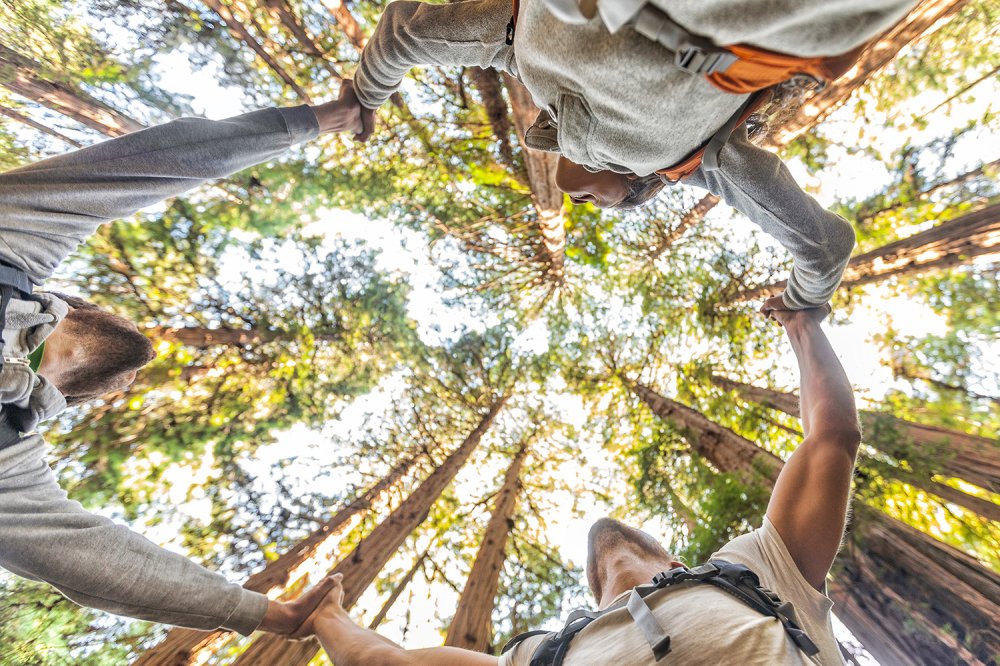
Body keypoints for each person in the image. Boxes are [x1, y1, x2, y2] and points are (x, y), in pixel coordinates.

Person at [301, 303, 862, 665]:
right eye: (597, 578)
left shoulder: (751, 567)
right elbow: (386, 663)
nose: (609, 551)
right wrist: (325, 613)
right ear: (591, 600)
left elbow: (831, 438)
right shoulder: (538, 655)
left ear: (675, 562)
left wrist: (801, 326)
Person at [0, 86, 367, 635]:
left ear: (80, 302)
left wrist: (322, 118)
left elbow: (163, 161)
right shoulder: (8, 467)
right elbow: (96, 563)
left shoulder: (14, 243)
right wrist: (271, 614)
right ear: (73, 398)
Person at [346, 0, 920, 313]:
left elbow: (405, 32)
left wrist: (362, 96)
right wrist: (802, 303)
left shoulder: (515, 49)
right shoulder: (698, 160)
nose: (584, 203)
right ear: (644, 182)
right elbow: (824, 244)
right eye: (610, 205)